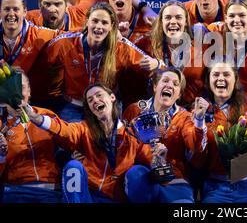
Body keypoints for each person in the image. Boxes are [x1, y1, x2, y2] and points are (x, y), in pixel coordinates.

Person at [24, 83, 154, 202]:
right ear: (90, 109)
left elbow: (150, 160)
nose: (95, 100)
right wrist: (36, 117)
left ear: (112, 97)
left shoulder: (132, 134)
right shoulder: (83, 129)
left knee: (139, 171)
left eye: (99, 95)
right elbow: (64, 129)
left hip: (120, 196)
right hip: (90, 196)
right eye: (90, 100)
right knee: (73, 167)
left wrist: (159, 159)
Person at [40, 2, 159, 121]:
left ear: (112, 26)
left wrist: (156, 64)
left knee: (112, 139)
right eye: (95, 21)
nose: (99, 26)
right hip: (73, 106)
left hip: (108, 106)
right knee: (71, 138)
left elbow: (157, 69)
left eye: (104, 22)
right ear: (87, 22)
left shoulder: (121, 47)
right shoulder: (65, 43)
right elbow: (43, 64)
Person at [122, 68, 206, 203]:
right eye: (165, 81)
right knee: (134, 174)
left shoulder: (186, 117)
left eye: (175, 84)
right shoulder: (134, 110)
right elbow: (123, 145)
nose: (170, 85)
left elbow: (195, 146)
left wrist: (199, 120)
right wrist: (150, 154)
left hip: (174, 180)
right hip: (144, 177)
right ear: (155, 86)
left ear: (178, 95)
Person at [190, 60, 247, 203]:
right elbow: (195, 159)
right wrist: (198, 120)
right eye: (215, 74)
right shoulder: (198, 110)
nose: (221, 78)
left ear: (235, 79)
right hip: (215, 186)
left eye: (226, 74)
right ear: (208, 81)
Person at [0, 71, 62, 203]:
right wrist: (1, 156)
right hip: (15, 192)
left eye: (21, 87)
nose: (16, 93)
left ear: (29, 91)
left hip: (50, 191)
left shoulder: (47, 115)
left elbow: (69, 140)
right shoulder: (1, 124)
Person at [135, 0, 206, 106]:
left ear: (186, 21)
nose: (173, 21)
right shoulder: (146, 44)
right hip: (154, 110)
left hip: (187, 112)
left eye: (178, 17)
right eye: (168, 17)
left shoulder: (199, 50)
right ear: (161, 21)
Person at [0, 0, 59, 75]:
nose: (11, 14)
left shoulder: (41, 35)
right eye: (7, 9)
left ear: (24, 12)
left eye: (16, 9)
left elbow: (71, 40)